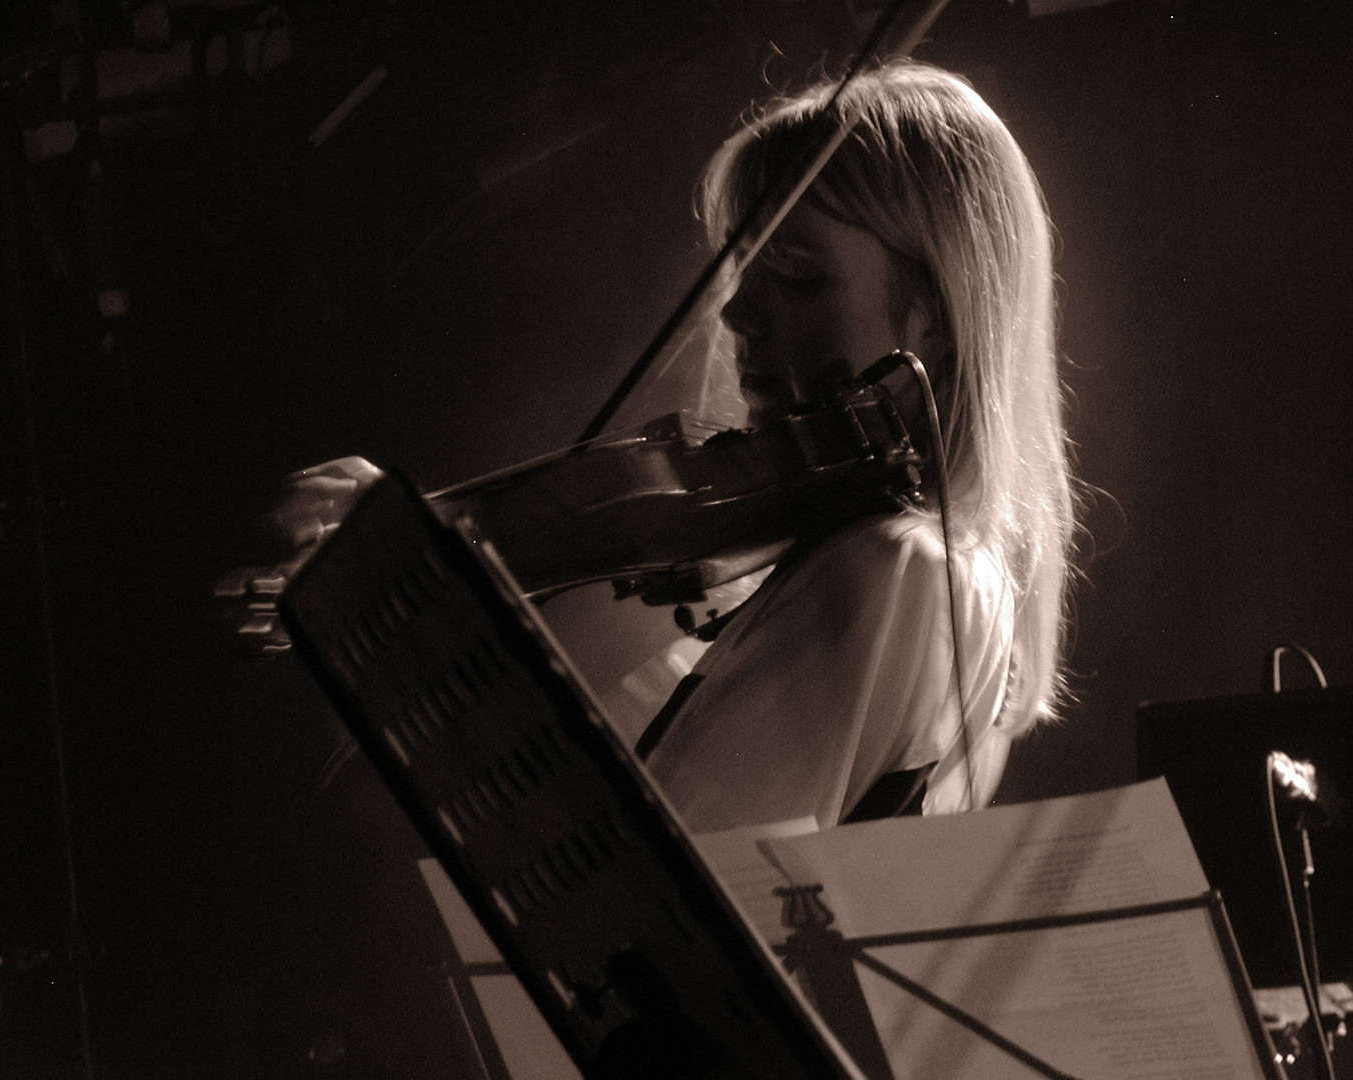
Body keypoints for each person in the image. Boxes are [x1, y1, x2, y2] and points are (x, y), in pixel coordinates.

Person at [268, 59, 1076, 835]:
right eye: (743, 270)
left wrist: (418, 603)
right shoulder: (911, 565)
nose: (738, 316)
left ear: (934, 310)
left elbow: (646, 881)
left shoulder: (902, 565)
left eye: (796, 275)